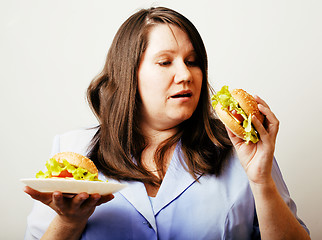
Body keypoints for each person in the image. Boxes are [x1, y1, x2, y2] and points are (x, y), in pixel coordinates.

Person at [24, 7, 310, 240]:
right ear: (128, 75)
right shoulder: (72, 154)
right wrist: (69, 222)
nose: (186, 74)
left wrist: (262, 182)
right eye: (165, 62)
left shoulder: (243, 149)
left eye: (193, 61)